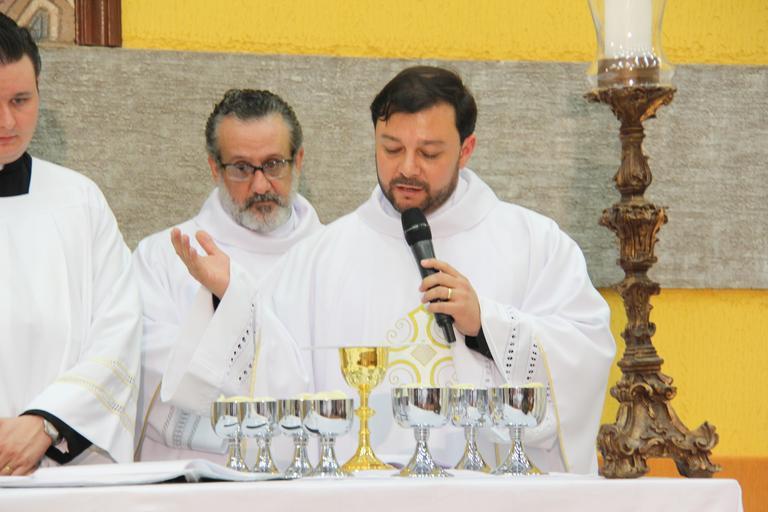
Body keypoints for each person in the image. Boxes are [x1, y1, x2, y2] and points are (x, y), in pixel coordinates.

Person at [168, 66, 615, 474]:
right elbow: (276, 376)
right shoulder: (319, 257)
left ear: (466, 149)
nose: (407, 168)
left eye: (429, 153)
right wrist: (232, 298)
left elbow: (585, 352)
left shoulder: (534, 243)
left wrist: (486, 325)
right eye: (392, 148)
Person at [132, 89, 322, 462]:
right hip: (195, 480)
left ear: (298, 160)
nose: (260, 185)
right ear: (214, 168)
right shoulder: (161, 258)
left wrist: (235, 305)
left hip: (306, 481)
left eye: (273, 164)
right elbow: (151, 375)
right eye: (240, 168)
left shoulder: (329, 258)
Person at [0, 14, 141, 475]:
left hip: (58, 473)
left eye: (20, 100)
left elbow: (119, 330)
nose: (7, 121)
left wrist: (47, 422)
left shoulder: (78, 201)